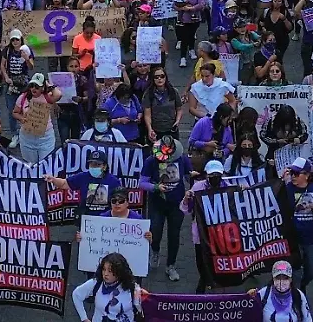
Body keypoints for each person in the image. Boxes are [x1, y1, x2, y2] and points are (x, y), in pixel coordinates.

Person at [141, 134, 189, 281]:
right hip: (157, 203)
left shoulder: (182, 159)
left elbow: (188, 175)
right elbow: (142, 182)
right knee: (155, 230)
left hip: (176, 203)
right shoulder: (151, 161)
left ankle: (171, 265)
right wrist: (155, 187)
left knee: (174, 235)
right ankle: (155, 252)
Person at [183, 160, 236, 293]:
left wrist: (241, 192)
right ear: (207, 175)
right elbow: (186, 210)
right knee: (201, 261)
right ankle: (204, 278)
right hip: (201, 233)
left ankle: (211, 283)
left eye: (217, 175)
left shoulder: (229, 188)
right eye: (212, 175)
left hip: (220, 233)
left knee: (216, 259)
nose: (215, 178)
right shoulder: (198, 187)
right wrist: (187, 198)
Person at [282, 157, 313, 292]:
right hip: (294, 239)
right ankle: (296, 292)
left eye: (296, 174)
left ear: (307, 175)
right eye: (291, 173)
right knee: (295, 271)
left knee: (312, 270)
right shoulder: (286, 189)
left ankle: (302, 285)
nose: (293, 177)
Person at [45, 149, 123, 218]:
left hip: (105, 219)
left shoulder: (114, 182)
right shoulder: (83, 177)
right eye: (92, 164)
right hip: (86, 218)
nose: (94, 167)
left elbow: (119, 203)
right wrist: (53, 179)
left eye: (98, 164)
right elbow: (64, 184)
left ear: (105, 166)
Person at [72, 253, 146, 322]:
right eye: (104, 269)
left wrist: (145, 297)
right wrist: (84, 318)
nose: (105, 274)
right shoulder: (96, 283)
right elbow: (76, 294)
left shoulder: (132, 287)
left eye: (110, 271)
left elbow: (141, 310)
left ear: (119, 272)